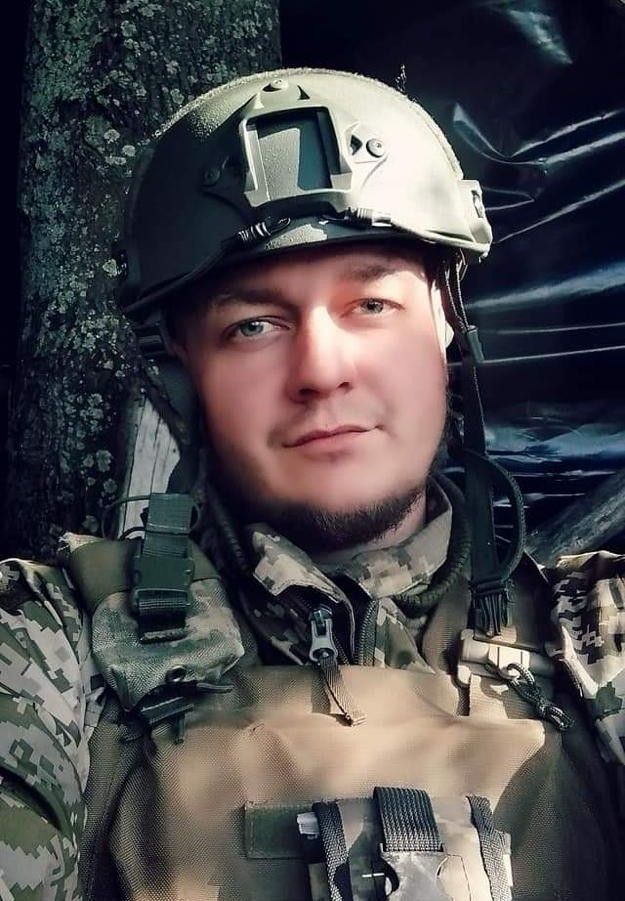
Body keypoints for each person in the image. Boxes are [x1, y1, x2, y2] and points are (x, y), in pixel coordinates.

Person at [1, 67, 623, 901]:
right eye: (253, 324)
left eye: (370, 305)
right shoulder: (46, 646)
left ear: (446, 322)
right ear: (180, 370)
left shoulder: (603, 636)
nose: (322, 371)